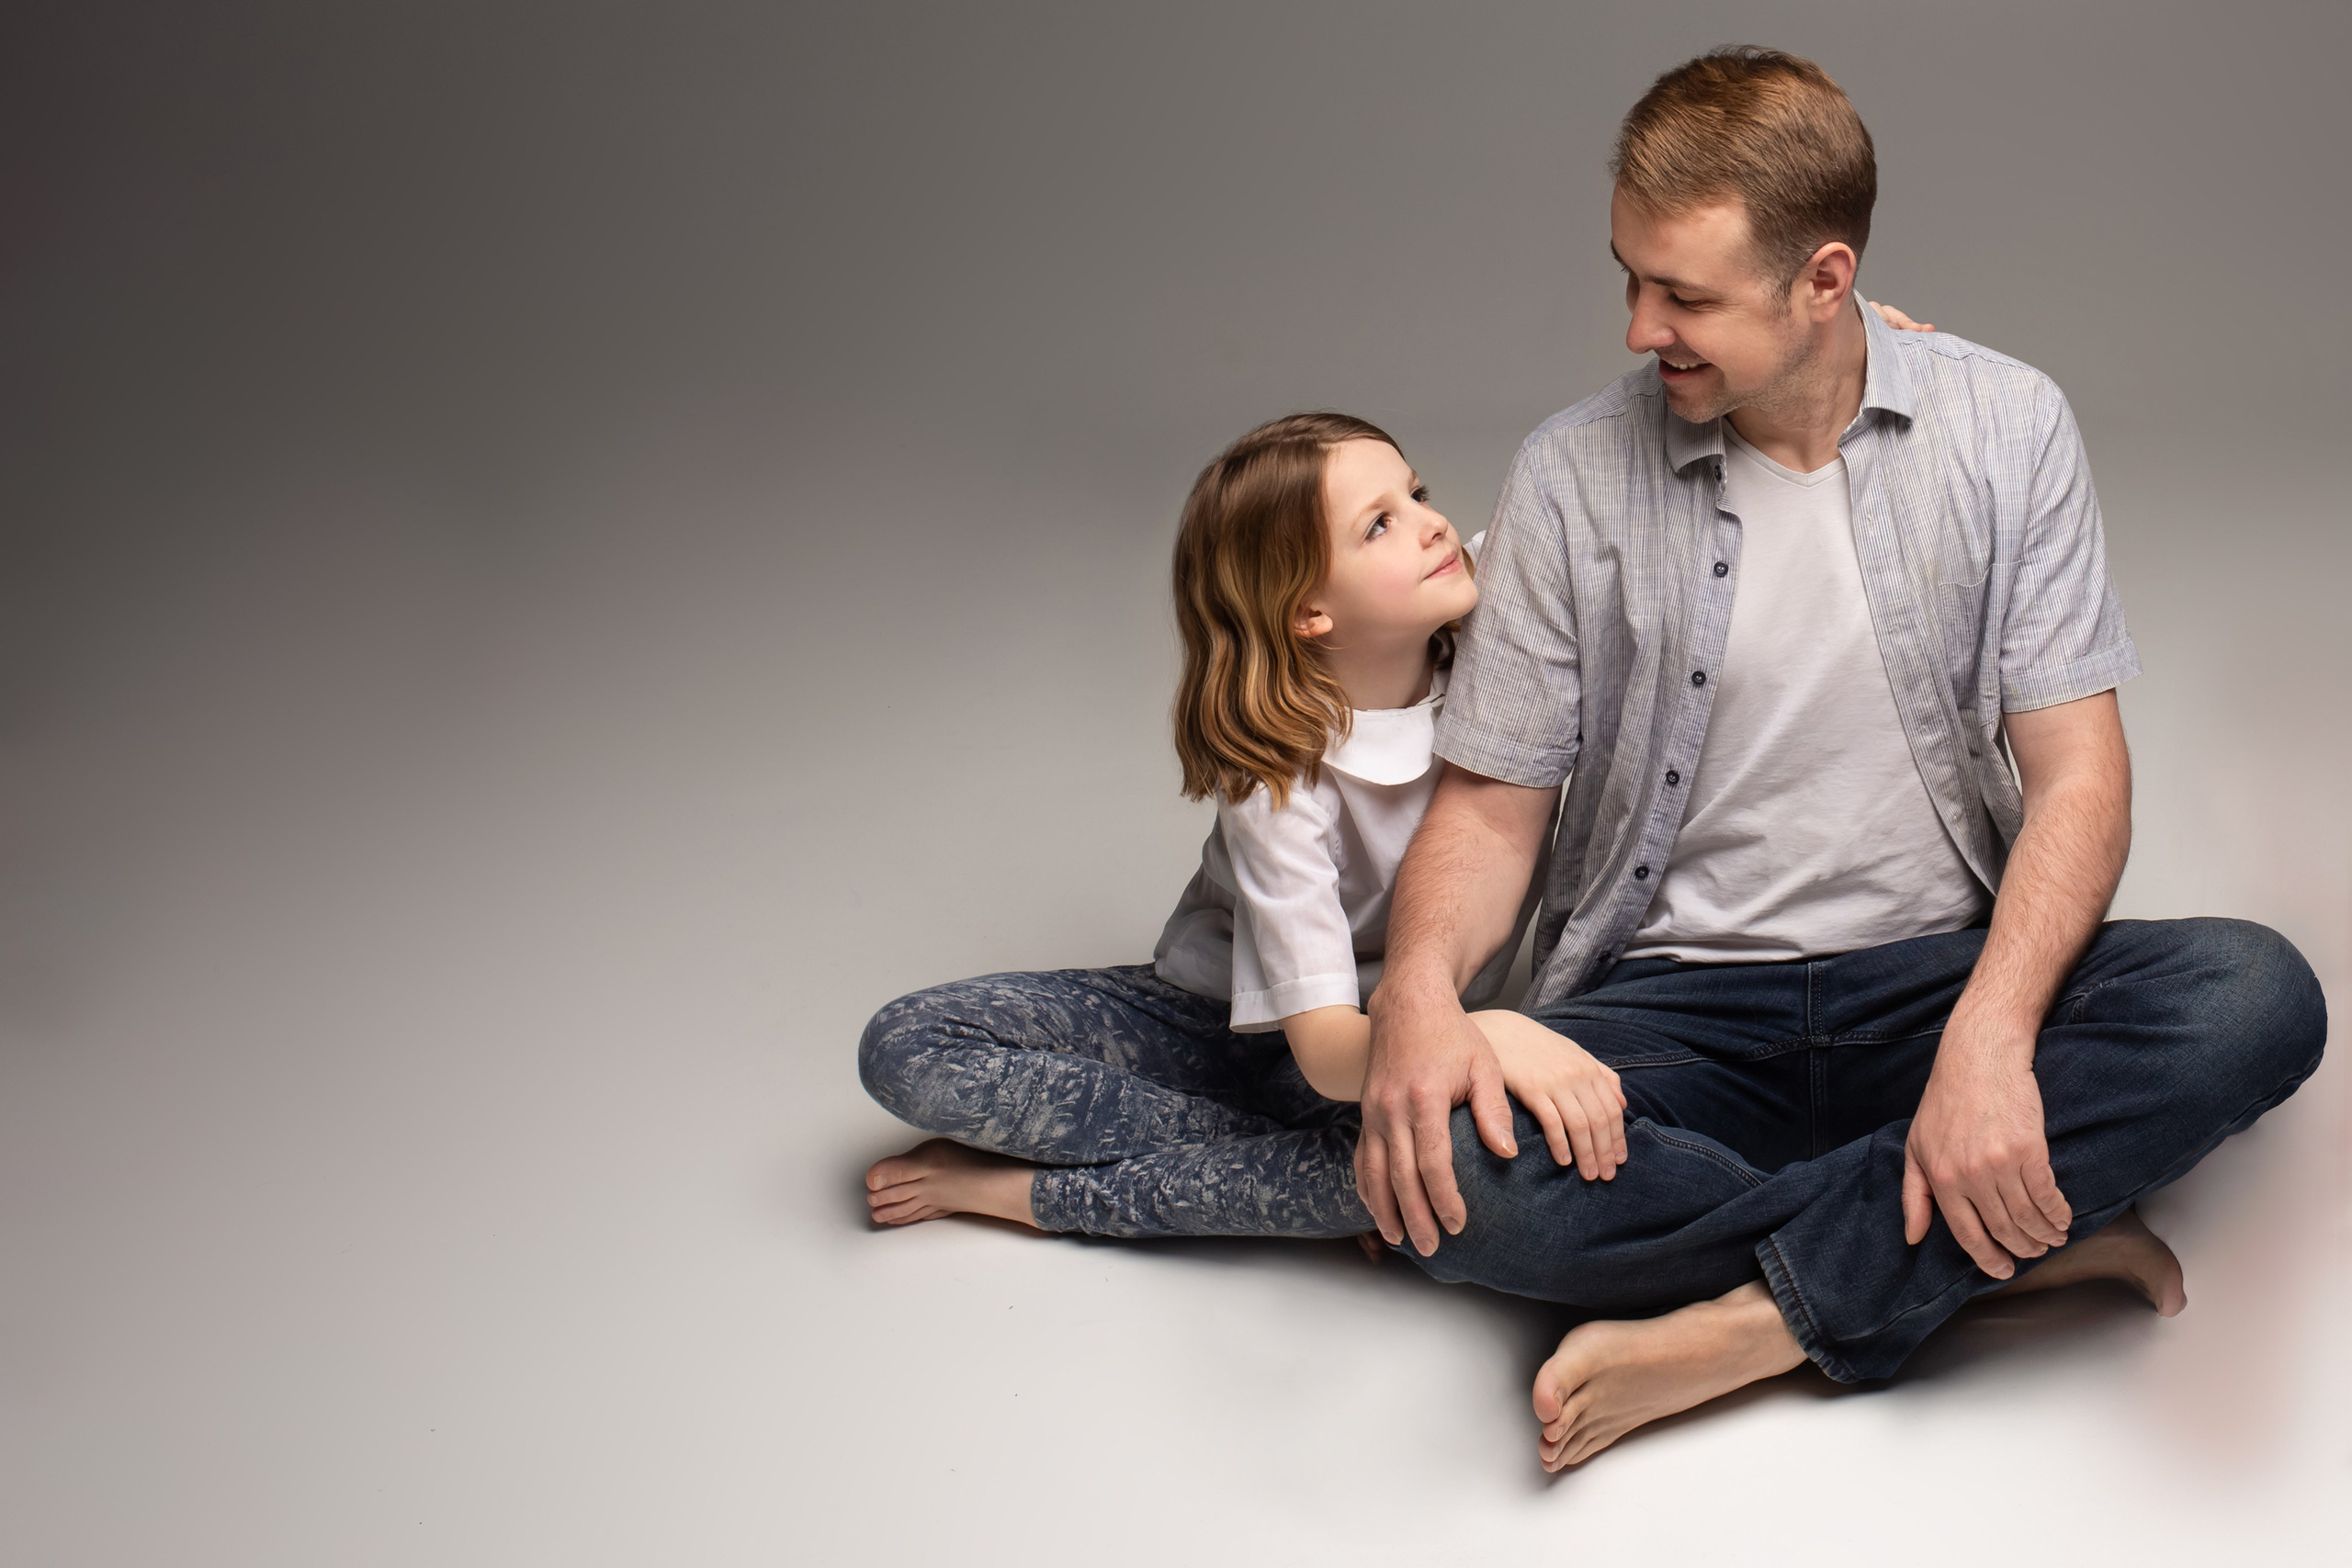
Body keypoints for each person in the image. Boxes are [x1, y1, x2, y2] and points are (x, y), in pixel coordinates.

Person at [1354, 46, 2327, 1471]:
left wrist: (1993, 1043)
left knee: (2259, 994)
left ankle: (1754, 1320)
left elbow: (2080, 777)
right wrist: (1424, 995)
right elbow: (1493, 809)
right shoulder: (1573, 474)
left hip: (1941, 981)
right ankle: (1989, 1243)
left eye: (1684, 295)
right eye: (1629, 276)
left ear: (1825, 279)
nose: (1638, 327)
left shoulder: (2006, 426)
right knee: (1461, 1187)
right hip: (1675, 1018)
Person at [856, 412, 1631, 1240]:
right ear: (1307, 614)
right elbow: (1330, 1048)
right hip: (1213, 1023)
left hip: (1377, 1050)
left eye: (1416, 493)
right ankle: (1174, 1178)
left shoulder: (1498, 623)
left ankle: (1051, 1186)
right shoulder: (1278, 780)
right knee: (905, 1044)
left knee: (1447, 1168)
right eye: (1381, 524)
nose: (1431, 522)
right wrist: (1490, 1035)